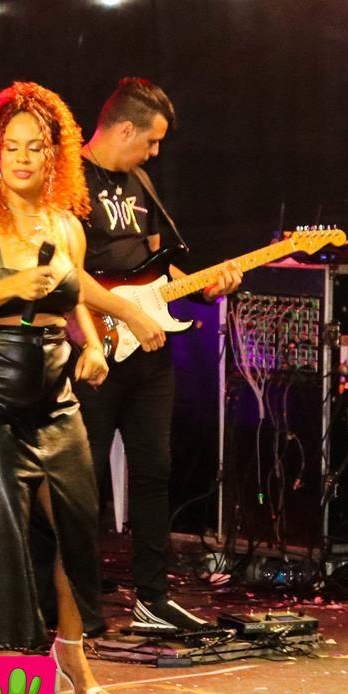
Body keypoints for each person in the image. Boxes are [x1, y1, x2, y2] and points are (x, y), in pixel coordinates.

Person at [0, 82, 113, 694]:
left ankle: (70, 650)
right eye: (11, 147)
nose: (23, 158)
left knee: (76, 522)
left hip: (52, 388)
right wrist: (13, 287)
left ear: (55, 155)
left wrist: (92, 345)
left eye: (35, 147)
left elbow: (73, 299)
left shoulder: (66, 226)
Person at [75, 78, 241, 632]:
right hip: (95, 346)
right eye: (150, 141)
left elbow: (157, 265)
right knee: (84, 480)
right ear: (125, 129)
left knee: (155, 471)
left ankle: (153, 597)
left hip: (147, 351)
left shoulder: (140, 183)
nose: (154, 153)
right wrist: (124, 314)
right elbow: (64, 273)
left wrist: (205, 287)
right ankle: (76, 605)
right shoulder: (70, 182)